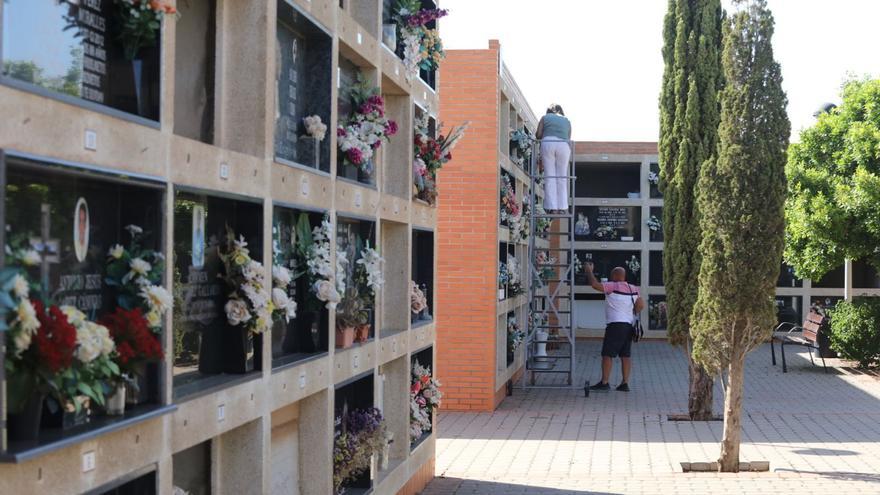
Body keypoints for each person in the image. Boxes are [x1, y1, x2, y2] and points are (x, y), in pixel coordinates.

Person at [584, 262, 644, 392]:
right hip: (628, 325)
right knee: (625, 355)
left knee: (607, 354)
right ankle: (624, 383)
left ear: (615, 276)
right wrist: (632, 312)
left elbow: (594, 285)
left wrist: (589, 271)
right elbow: (641, 304)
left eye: (612, 275)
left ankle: (605, 382)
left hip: (615, 325)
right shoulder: (633, 288)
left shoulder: (612, 286)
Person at [535, 104, 572, 214]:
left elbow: (538, 134)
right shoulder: (567, 121)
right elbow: (568, 137)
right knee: (562, 177)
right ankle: (562, 207)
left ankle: (552, 208)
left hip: (548, 143)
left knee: (550, 175)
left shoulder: (545, 118)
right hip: (563, 145)